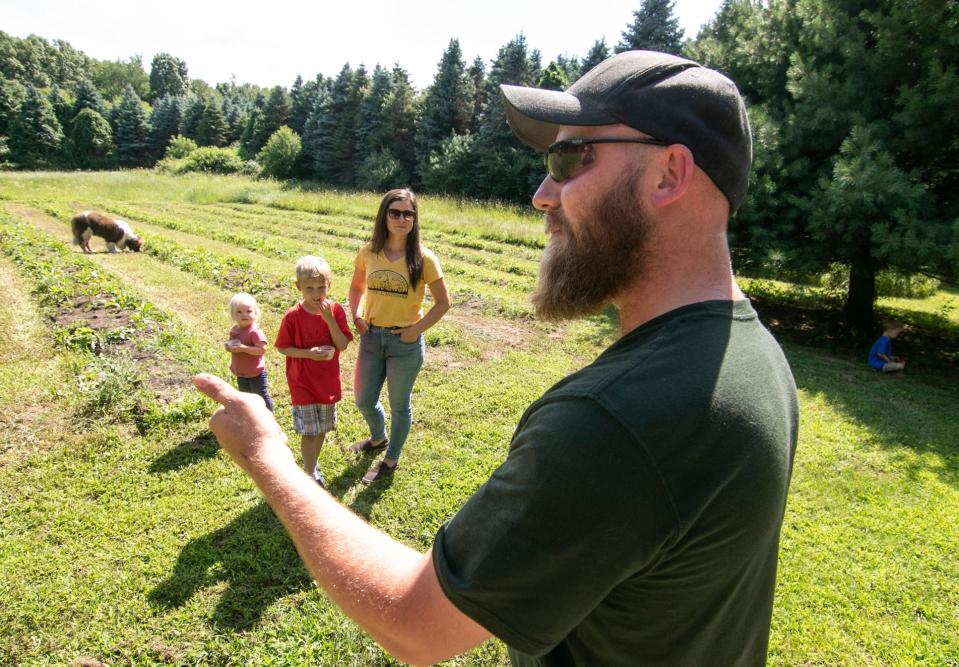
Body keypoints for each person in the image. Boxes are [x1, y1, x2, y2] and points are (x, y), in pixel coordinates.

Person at [193, 50, 799, 666]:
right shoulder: (755, 356)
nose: (542, 194)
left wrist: (267, 456)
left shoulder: (613, 420)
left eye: (570, 159)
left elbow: (414, 623)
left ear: (669, 173)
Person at [347, 188, 451, 484]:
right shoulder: (368, 253)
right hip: (371, 337)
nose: (402, 218)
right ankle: (378, 438)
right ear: (385, 215)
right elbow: (356, 289)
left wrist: (415, 330)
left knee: (399, 404)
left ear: (415, 219)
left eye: (408, 213)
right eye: (395, 212)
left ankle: (390, 458)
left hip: (404, 343)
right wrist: (356, 315)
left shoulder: (424, 258)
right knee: (364, 400)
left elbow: (443, 302)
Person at [274, 256, 352, 487]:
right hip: (303, 383)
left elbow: (343, 344)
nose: (317, 293)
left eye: (321, 287)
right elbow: (282, 348)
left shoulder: (335, 311)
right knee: (309, 432)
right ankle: (309, 475)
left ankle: (312, 464)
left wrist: (329, 320)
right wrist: (309, 353)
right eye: (309, 288)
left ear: (330, 285)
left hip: (327, 382)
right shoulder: (293, 316)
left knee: (322, 430)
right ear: (299, 287)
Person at [225, 292, 274, 412]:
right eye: (239, 312)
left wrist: (243, 348)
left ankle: (268, 415)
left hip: (255, 372)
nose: (244, 315)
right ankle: (252, 414)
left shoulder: (254, 332)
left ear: (255, 313)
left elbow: (261, 350)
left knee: (260, 395)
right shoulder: (235, 330)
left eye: (248, 311)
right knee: (246, 396)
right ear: (233, 314)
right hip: (241, 371)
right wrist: (228, 347)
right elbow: (232, 346)